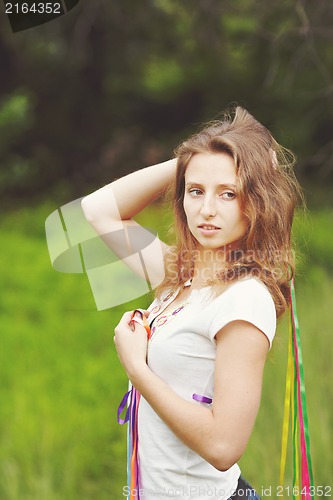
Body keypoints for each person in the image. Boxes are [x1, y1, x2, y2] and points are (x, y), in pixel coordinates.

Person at [81, 106, 303, 500]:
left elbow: (223, 447)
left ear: (256, 202)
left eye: (228, 193)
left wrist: (137, 368)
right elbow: (98, 210)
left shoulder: (245, 300)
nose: (207, 210)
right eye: (195, 190)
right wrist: (191, 161)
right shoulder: (178, 272)